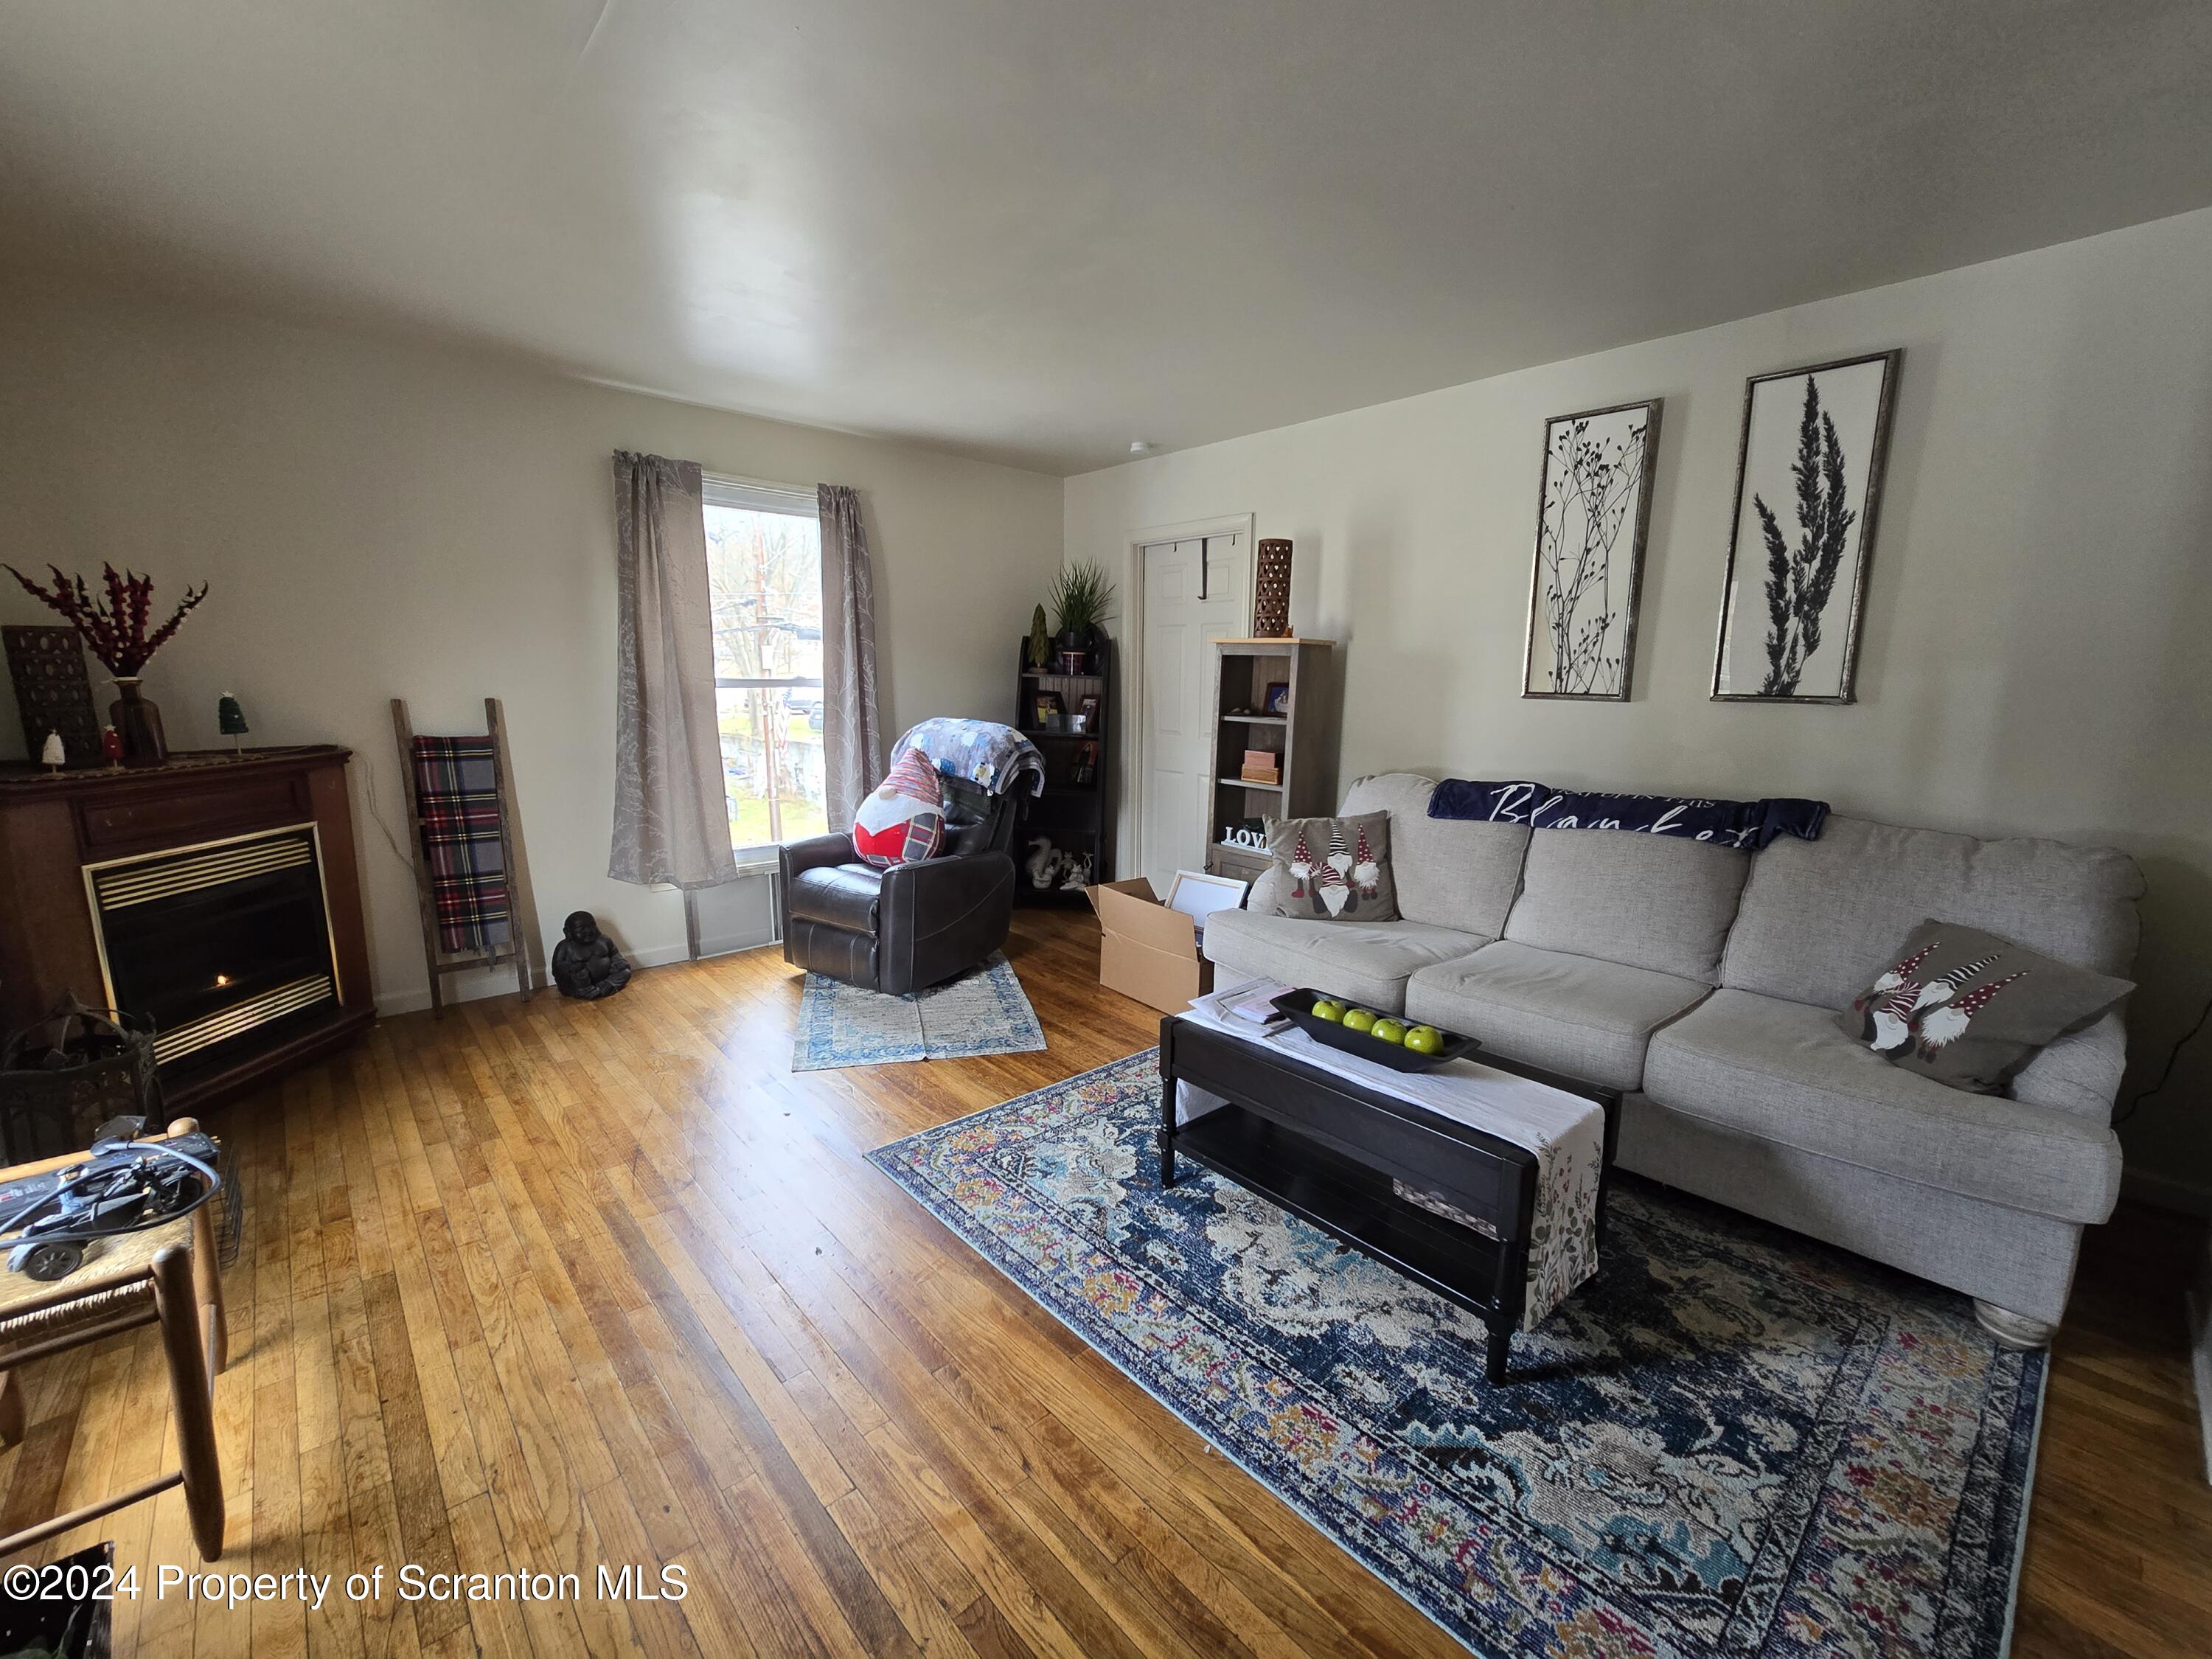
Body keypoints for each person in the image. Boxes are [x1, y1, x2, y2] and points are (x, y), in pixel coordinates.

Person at [550, 911, 631, 1000]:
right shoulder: (565, 947)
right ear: (568, 932)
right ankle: (586, 991)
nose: (588, 931)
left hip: (606, 977)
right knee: (578, 974)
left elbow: (615, 954)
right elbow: (557, 967)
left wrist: (619, 962)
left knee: (625, 972)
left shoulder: (604, 940)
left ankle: (608, 985)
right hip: (580, 984)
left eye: (592, 926)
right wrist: (571, 968)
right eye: (581, 928)